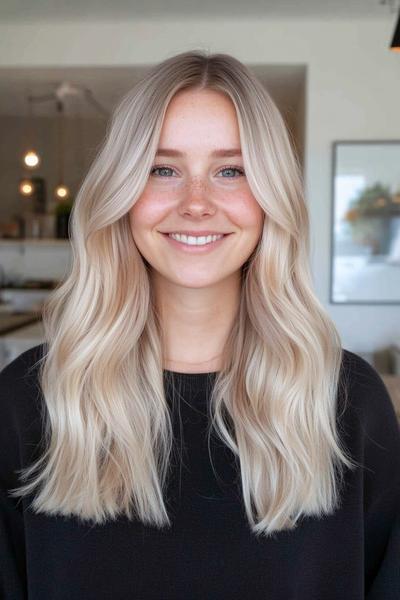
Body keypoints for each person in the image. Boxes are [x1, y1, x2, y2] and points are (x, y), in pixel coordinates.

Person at [1, 50, 399, 600]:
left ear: (270, 197)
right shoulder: (30, 400)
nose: (196, 203)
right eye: (163, 169)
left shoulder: (349, 402)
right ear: (121, 193)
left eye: (230, 171)